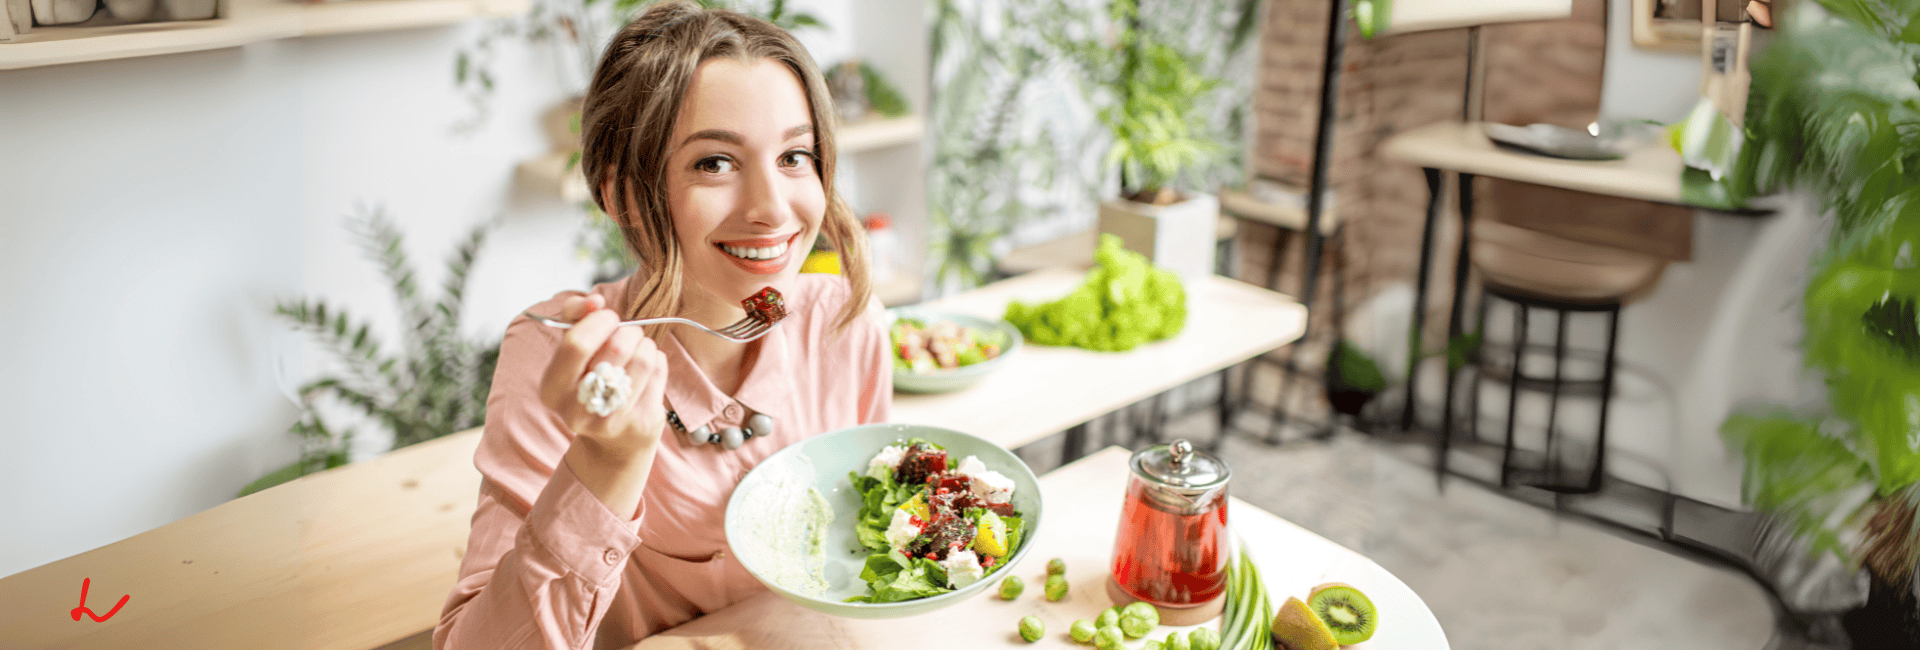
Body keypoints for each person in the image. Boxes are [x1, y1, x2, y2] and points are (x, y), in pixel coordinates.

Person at [432, 3, 890, 648]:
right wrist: (607, 461)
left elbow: (861, 560)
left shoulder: (844, 323)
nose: (771, 209)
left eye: (795, 156)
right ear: (621, 195)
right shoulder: (557, 358)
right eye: (714, 163)